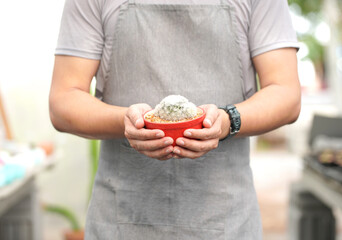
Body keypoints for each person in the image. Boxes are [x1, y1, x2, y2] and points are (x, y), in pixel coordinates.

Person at [49, 0, 301, 239]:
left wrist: (227, 120)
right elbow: (63, 100)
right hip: (121, 221)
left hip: (225, 222)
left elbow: (286, 94)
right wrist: (127, 122)